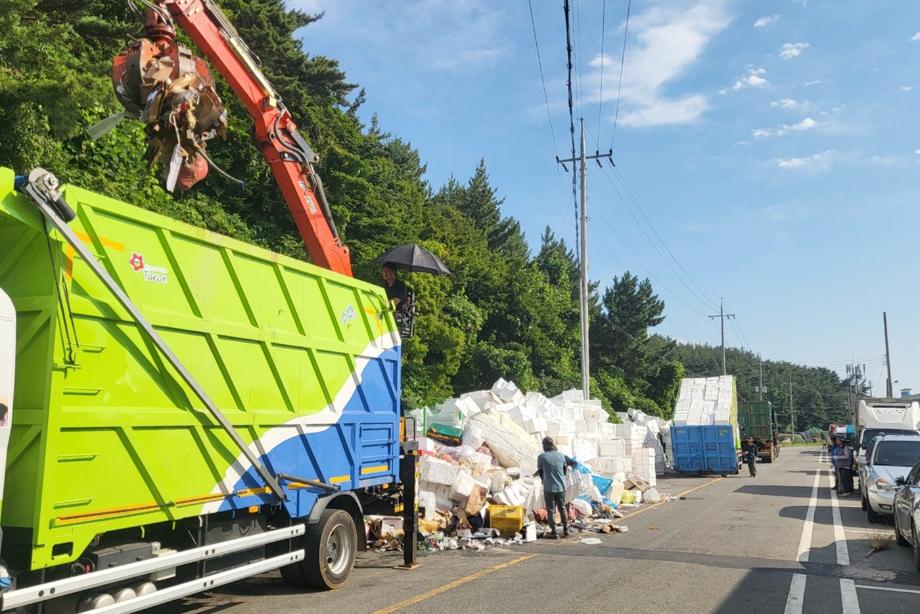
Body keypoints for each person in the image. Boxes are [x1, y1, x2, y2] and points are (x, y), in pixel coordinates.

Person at [535, 436, 576, 539]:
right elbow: (564, 471)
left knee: (550, 510)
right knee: (562, 507)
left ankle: (554, 532)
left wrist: (544, 480)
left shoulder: (542, 457)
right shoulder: (561, 456)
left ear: (544, 446)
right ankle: (566, 529)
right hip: (561, 487)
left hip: (549, 487)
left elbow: (541, 472)